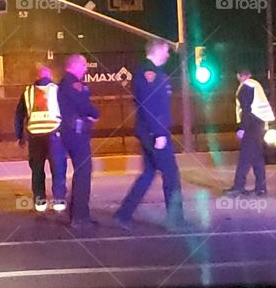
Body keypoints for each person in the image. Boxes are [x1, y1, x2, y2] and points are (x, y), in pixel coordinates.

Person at [114, 39, 188, 232]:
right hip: (154, 132)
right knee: (171, 173)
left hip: (150, 131)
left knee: (148, 173)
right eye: (166, 50)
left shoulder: (153, 73)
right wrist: (159, 133)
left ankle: (123, 214)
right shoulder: (149, 74)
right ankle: (175, 220)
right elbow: (150, 106)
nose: (168, 55)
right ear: (158, 50)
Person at [57, 54, 100, 231]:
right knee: (83, 173)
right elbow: (85, 106)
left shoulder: (63, 83)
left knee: (81, 173)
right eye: (83, 65)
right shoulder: (74, 84)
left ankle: (79, 214)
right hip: (77, 134)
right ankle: (80, 217)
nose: (86, 68)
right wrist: (95, 114)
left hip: (70, 132)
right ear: (74, 66)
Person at [14, 66, 66, 213]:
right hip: (54, 134)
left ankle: (40, 201)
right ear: (50, 76)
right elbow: (65, 112)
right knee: (58, 168)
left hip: (35, 135)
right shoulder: (56, 90)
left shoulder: (28, 92)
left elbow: (19, 116)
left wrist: (19, 136)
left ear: (37, 77)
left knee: (37, 169)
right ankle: (58, 200)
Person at [225, 66, 275, 197]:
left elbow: (246, 110)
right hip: (259, 124)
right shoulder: (255, 85)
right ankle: (261, 188)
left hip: (251, 125)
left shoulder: (245, 87)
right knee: (257, 158)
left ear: (238, 76)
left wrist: (242, 128)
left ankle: (238, 187)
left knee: (245, 157)